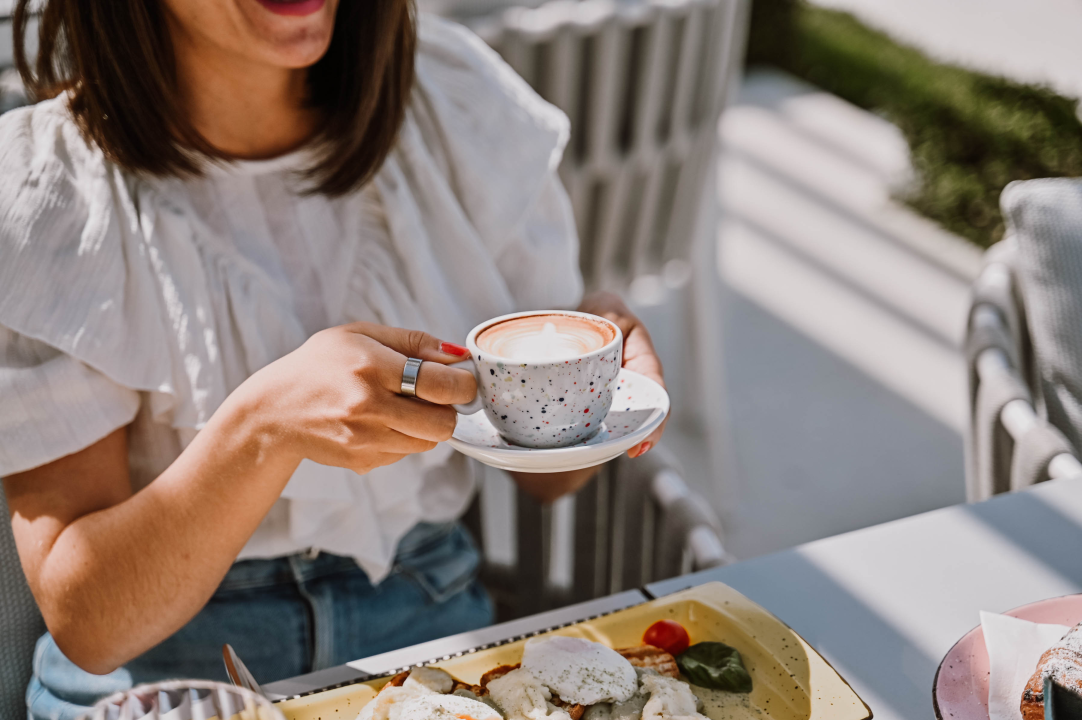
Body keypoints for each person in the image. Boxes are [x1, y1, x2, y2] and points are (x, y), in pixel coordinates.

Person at [0, 0, 668, 717]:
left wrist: (592, 388)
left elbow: (554, 482)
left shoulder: (456, 102)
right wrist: (261, 428)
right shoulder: (47, 196)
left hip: (430, 624)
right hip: (169, 676)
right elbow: (92, 627)